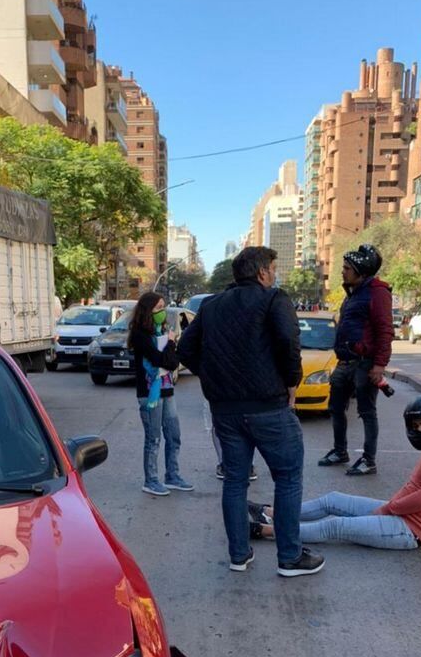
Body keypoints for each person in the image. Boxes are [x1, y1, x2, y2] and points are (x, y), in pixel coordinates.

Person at [177, 245, 324, 577]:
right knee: (287, 479)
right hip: (269, 407)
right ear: (261, 273)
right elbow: (289, 340)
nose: (275, 274)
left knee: (235, 481)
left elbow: (185, 348)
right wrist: (292, 381)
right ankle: (289, 557)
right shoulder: (274, 299)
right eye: (273, 269)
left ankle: (239, 555)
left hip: (226, 412)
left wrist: (214, 378)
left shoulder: (212, 306)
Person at [250, 395, 421, 549]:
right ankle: (270, 512)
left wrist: (389, 509)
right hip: (400, 514)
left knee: (335, 526)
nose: (418, 431)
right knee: (333, 500)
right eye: (414, 426)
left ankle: (264, 530)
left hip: (409, 531)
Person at [319, 244, 393, 476]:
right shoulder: (354, 293)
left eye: (347, 268)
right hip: (346, 362)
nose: (343, 271)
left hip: (365, 363)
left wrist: (379, 365)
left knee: (367, 412)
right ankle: (340, 451)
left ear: (360, 271)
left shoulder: (377, 293)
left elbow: (385, 330)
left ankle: (368, 460)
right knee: (336, 407)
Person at [128, 292, 193, 496]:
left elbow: (173, 363)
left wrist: (170, 348)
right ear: (147, 311)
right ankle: (151, 480)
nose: (162, 312)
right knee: (153, 438)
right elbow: (159, 360)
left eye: (163, 307)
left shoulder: (162, 331)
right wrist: (171, 344)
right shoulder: (140, 335)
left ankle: (172, 476)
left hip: (167, 391)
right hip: (150, 394)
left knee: (174, 435)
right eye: (158, 308)